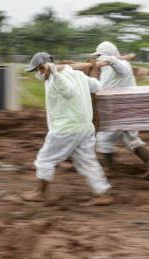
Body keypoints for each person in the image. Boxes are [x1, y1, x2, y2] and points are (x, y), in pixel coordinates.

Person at [20, 52, 113, 206]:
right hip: (85, 128)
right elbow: (97, 86)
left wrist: (55, 74)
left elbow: (68, 92)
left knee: (45, 159)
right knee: (87, 161)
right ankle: (102, 193)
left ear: (43, 68)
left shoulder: (55, 78)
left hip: (66, 129)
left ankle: (40, 193)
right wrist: (94, 71)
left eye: (37, 70)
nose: (37, 74)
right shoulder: (78, 75)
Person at [92, 41, 149, 179]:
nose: (97, 59)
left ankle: (111, 169)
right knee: (129, 139)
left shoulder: (122, 65)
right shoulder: (106, 68)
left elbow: (121, 69)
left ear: (107, 56)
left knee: (105, 139)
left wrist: (111, 60)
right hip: (115, 110)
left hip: (123, 110)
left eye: (99, 56)